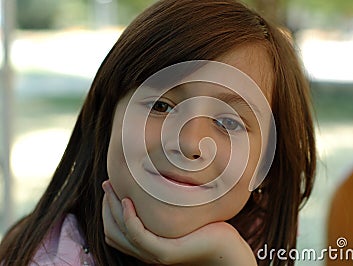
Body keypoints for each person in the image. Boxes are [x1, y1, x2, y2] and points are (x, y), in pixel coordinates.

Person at [0, 0, 316, 265]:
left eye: (229, 123)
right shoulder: (47, 258)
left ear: (267, 166)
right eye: (162, 107)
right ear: (107, 119)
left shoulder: (254, 238)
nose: (191, 142)